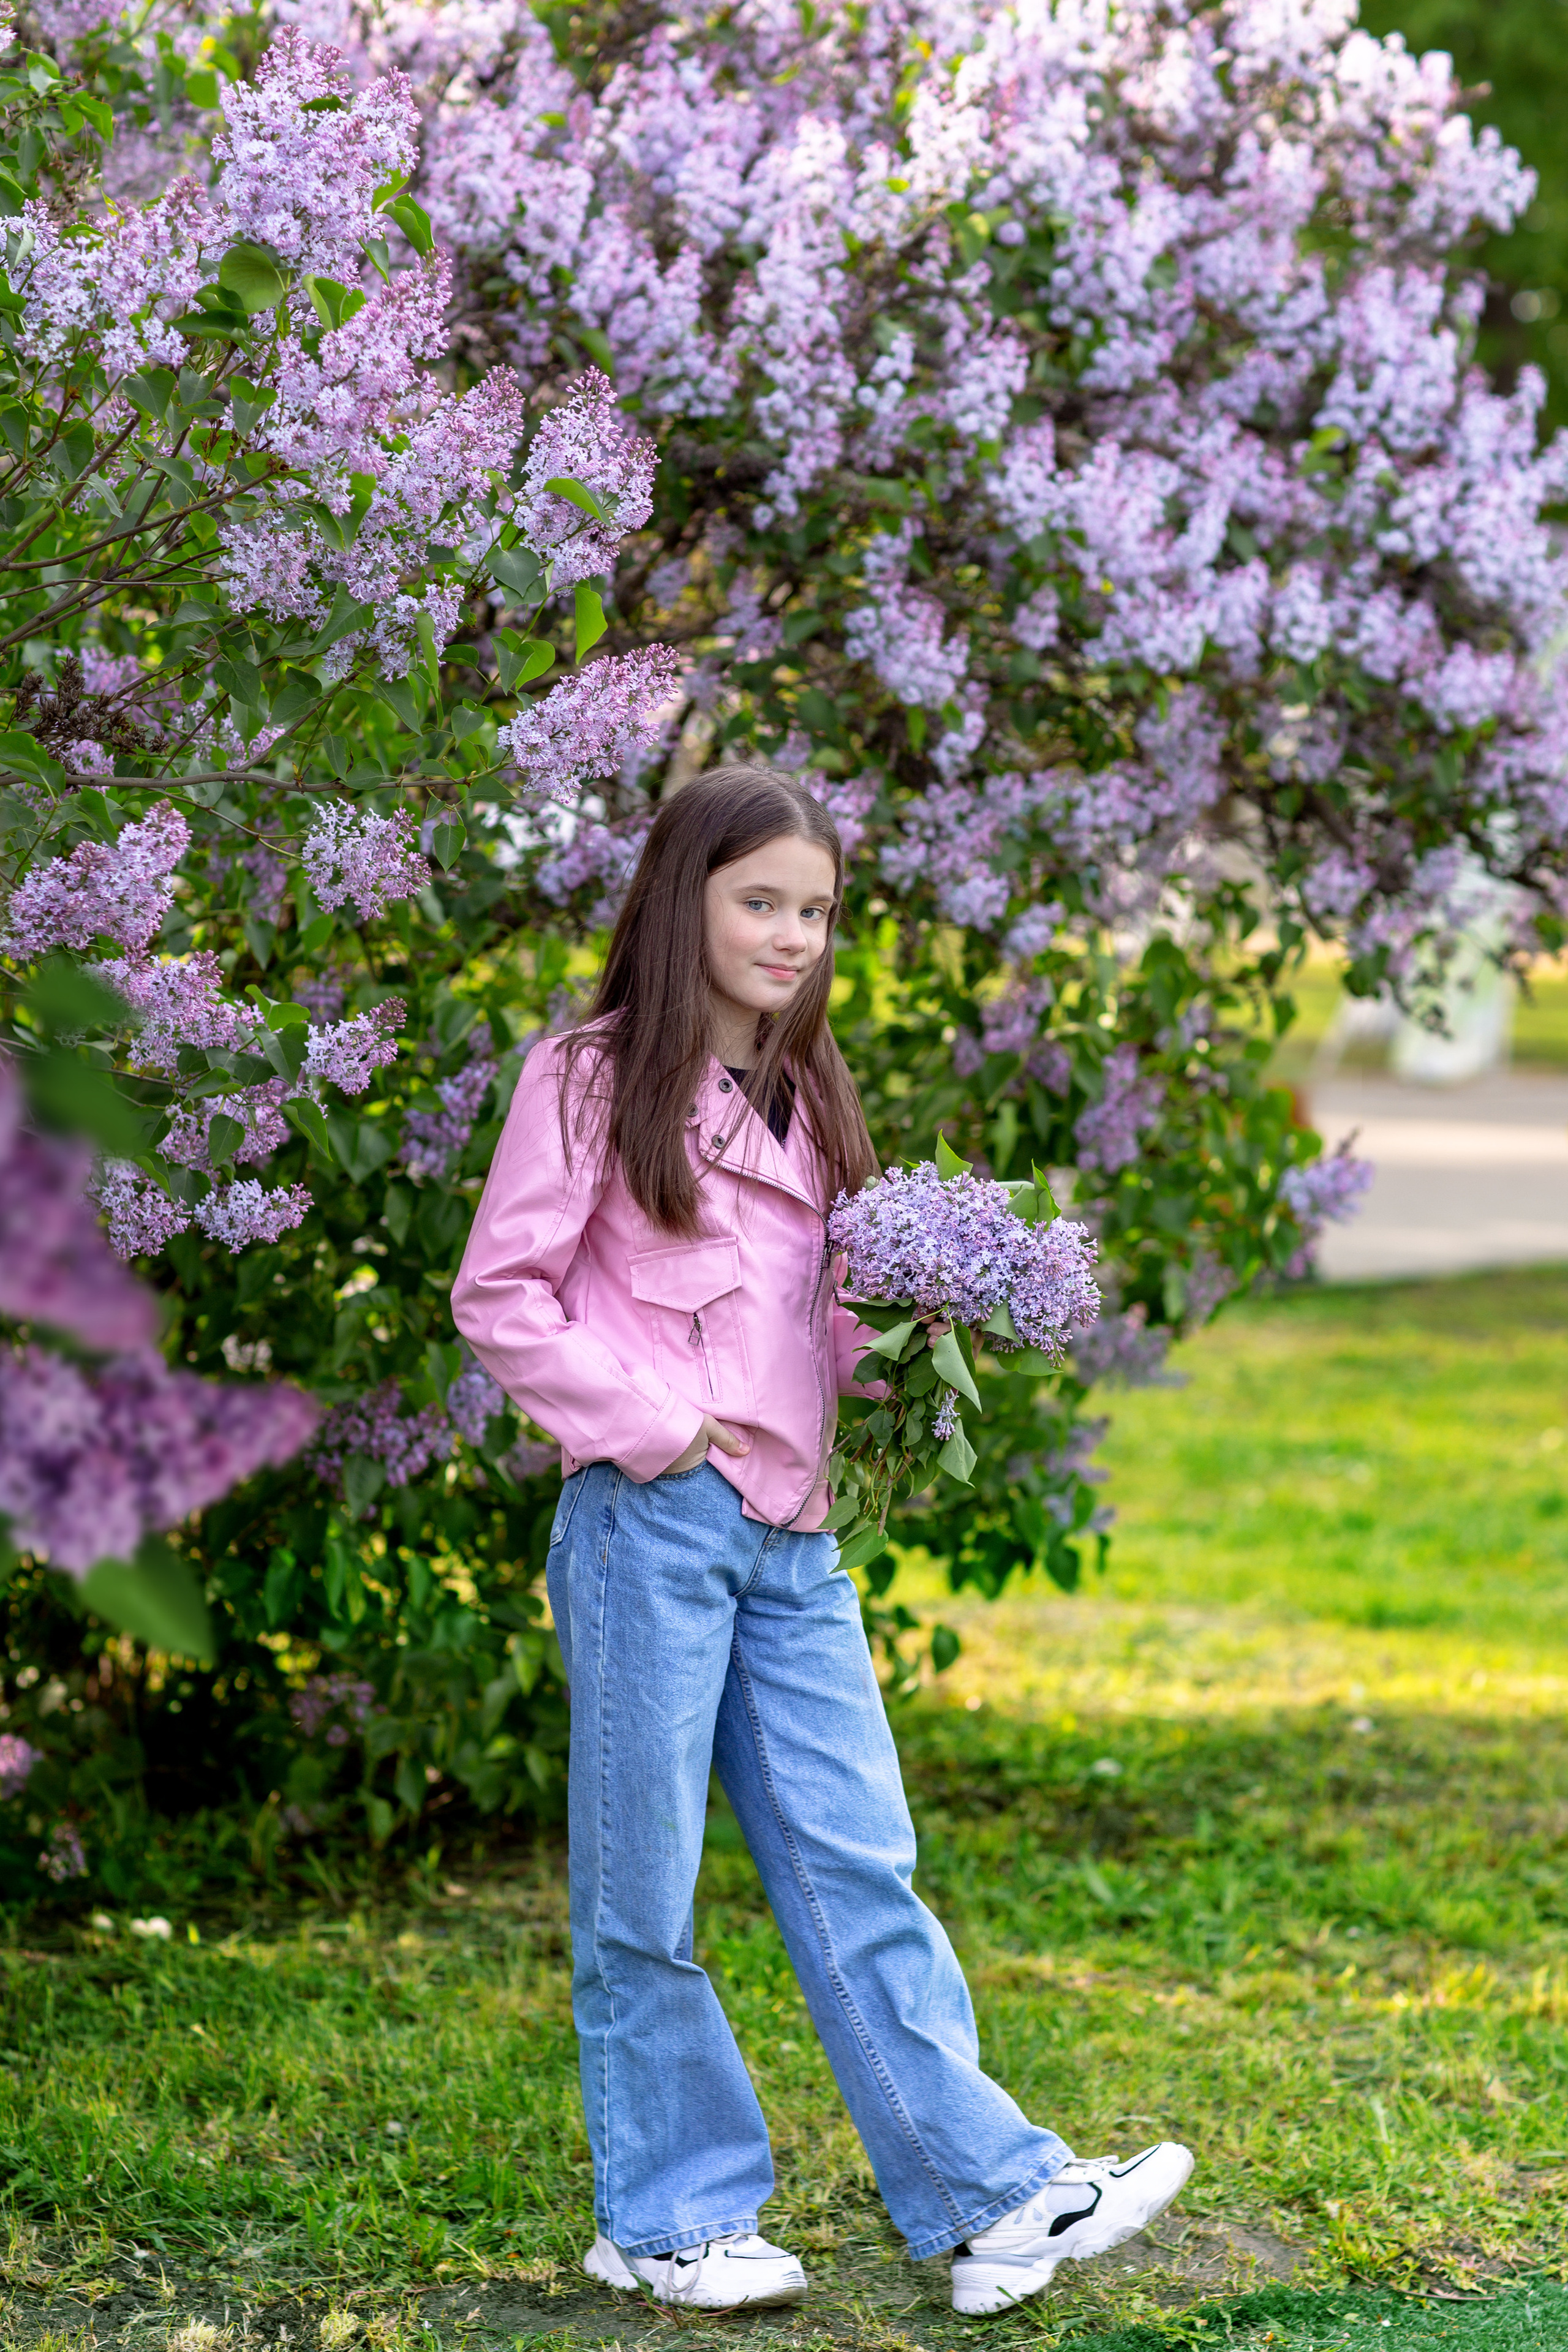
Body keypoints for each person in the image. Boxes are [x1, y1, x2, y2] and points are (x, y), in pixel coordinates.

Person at [451, 764, 1193, 2318]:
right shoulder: (585, 1081)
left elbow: (821, 1331)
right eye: (759, 902)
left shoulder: (814, 1105)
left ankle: (991, 2201)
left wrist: (933, 1314)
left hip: (795, 1539)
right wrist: (659, 1431)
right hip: (650, 1524)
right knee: (642, 1895)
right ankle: (666, 2220)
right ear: (683, 901)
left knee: (862, 1863)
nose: (792, 935)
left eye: (816, 910)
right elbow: (501, 1298)